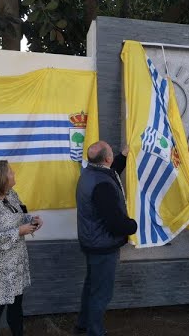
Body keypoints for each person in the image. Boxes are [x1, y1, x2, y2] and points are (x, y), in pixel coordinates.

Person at [0, 160, 43, 336]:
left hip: (15, 264)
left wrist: (31, 221)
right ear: (0, 178)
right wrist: (19, 231)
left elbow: (20, 216)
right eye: (10, 172)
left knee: (16, 307)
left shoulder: (11, 195)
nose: (13, 174)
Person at [75, 141, 137, 336]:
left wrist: (124, 155)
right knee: (101, 293)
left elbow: (112, 172)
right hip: (103, 245)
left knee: (92, 286)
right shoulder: (102, 185)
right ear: (107, 159)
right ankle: (95, 331)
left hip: (92, 241)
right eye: (112, 153)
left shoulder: (89, 173)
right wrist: (134, 225)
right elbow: (115, 222)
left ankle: (83, 325)